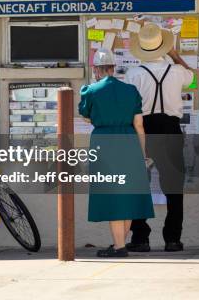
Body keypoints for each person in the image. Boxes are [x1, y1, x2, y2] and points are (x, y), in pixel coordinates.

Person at [79, 48, 155, 258]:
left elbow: (86, 116)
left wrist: (98, 118)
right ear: (114, 68)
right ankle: (118, 243)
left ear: (96, 69)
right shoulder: (130, 91)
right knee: (128, 194)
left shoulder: (90, 91)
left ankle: (120, 247)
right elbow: (139, 124)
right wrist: (142, 154)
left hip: (104, 143)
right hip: (130, 142)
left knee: (112, 193)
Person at [125, 22, 193, 252]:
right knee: (174, 186)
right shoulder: (176, 71)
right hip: (171, 129)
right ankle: (173, 239)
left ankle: (140, 237)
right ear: (162, 48)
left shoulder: (133, 74)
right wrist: (174, 54)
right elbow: (191, 77)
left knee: (137, 184)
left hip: (142, 128)